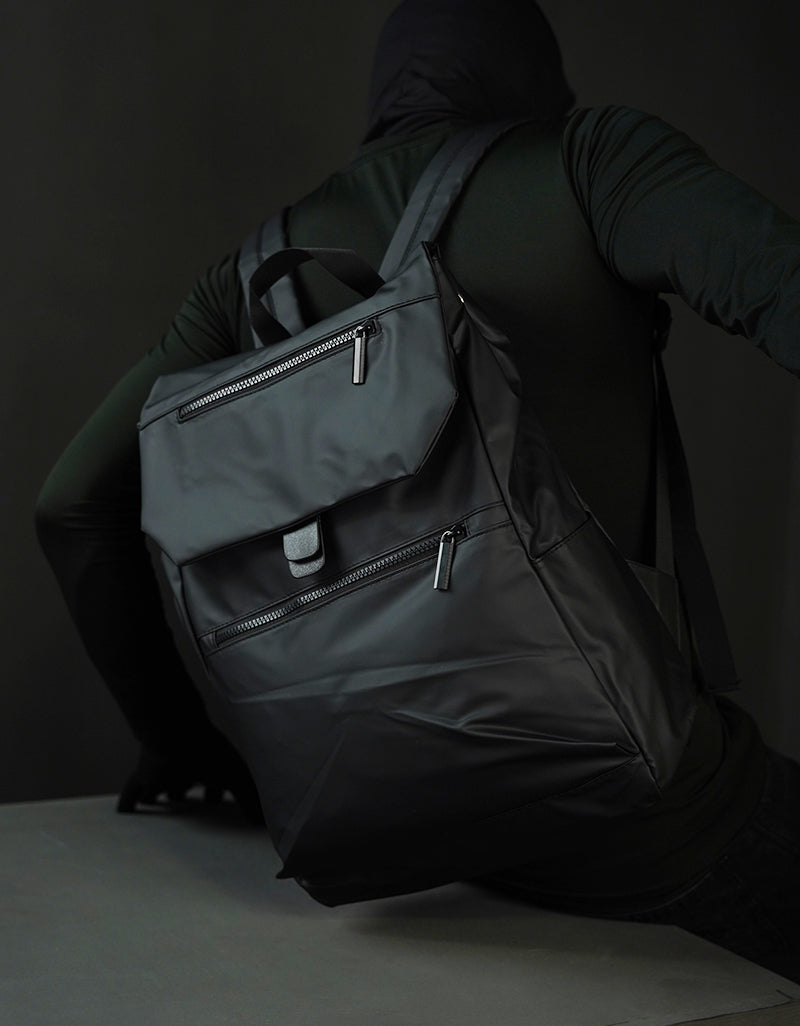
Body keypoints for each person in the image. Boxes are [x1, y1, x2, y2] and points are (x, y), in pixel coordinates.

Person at [35, 0, 800, 981]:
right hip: (641, 821)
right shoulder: (588, 161)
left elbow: (72, 503)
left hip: (390, 836)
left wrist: (183, 744)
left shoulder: (253, 270)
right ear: (536, 77)